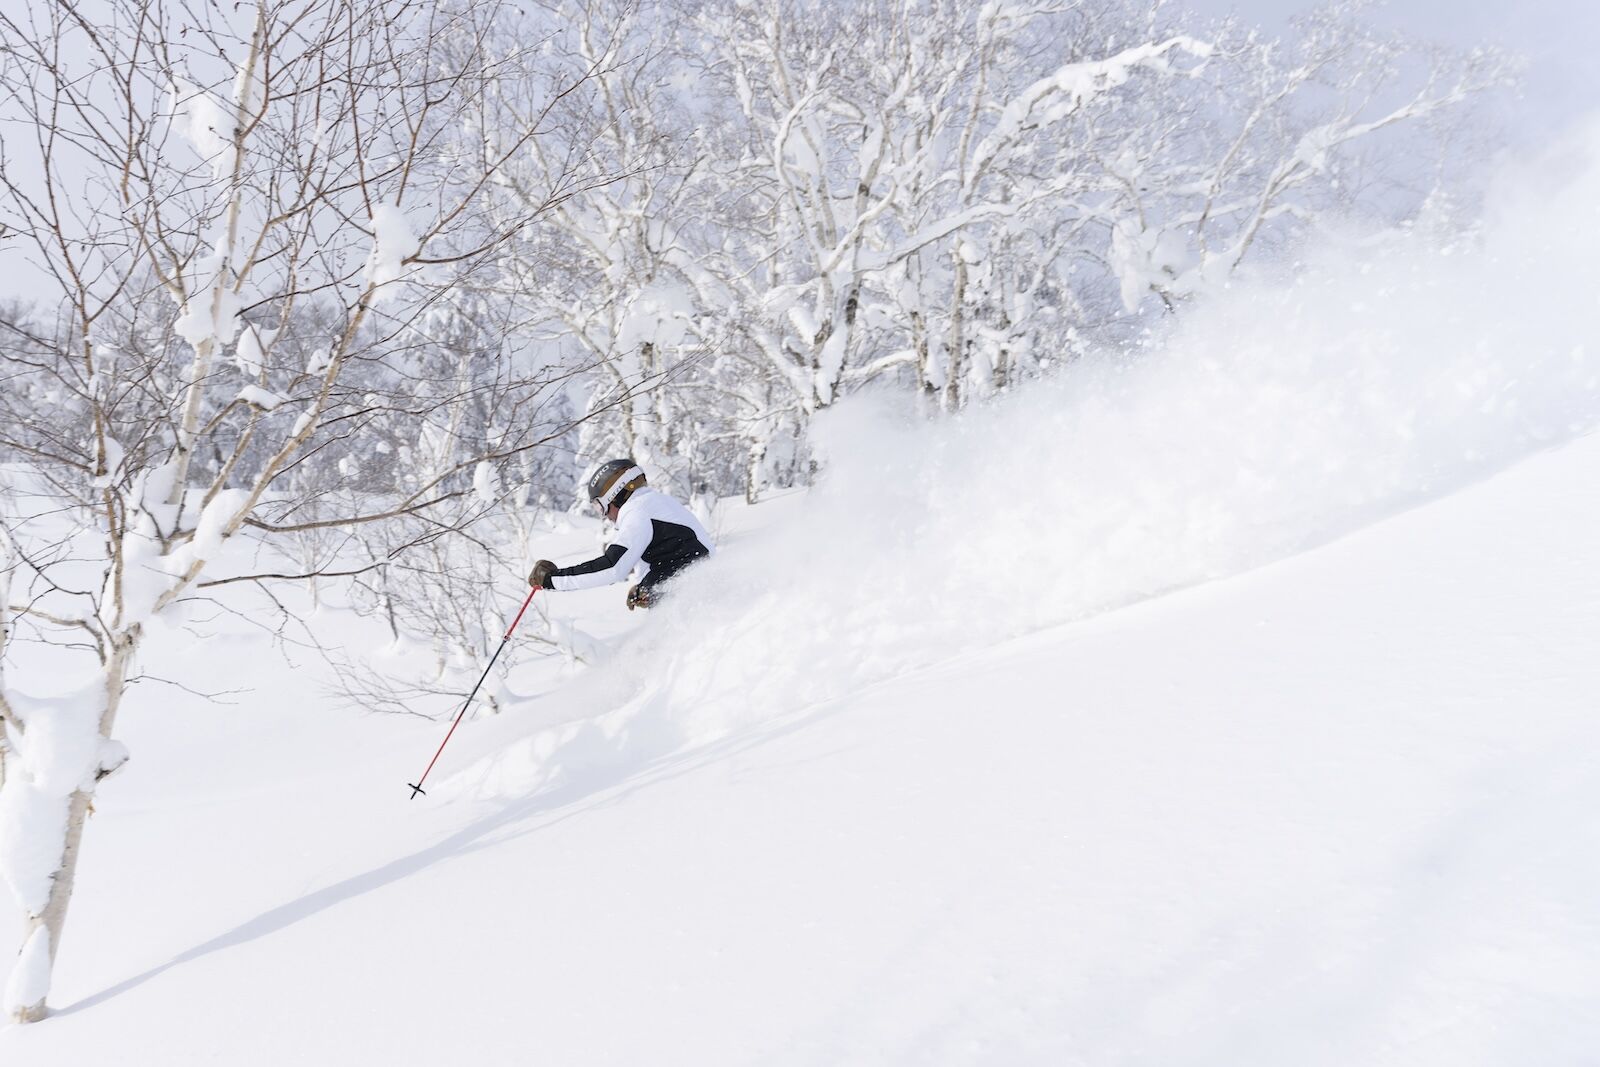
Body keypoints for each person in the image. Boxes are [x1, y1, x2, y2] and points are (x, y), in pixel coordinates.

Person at [528, 458, 713, 609]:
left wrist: (551, 579)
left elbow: (612, 567)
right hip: (697, 595)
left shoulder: (637, 513)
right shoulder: (654, 504)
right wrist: (646, 587)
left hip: (693, 602)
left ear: (614, 495)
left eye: (600, 506)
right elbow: (675, 556)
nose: (605, 515)